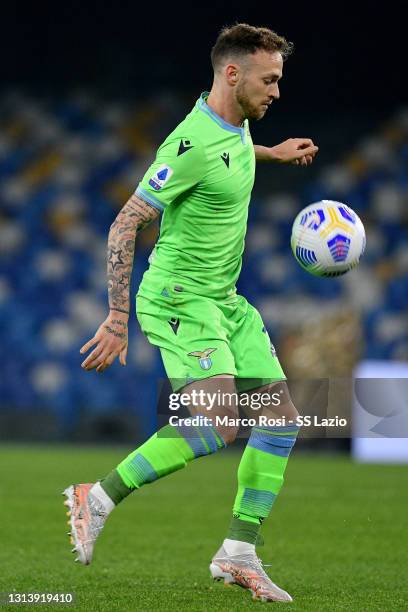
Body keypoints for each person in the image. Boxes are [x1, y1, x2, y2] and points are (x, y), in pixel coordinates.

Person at [63, 23, 318, 603]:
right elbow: (126, 222)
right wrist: (117, 315)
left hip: (225, 300)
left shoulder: (235, 128)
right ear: (233, 74)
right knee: (216, 424)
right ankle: (94, 497)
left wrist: (270, 153)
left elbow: (228, 153)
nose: (277, 91)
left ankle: (238, 554)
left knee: (280, 421)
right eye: (269, 79)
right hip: (179, 298)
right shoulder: (188, 142)